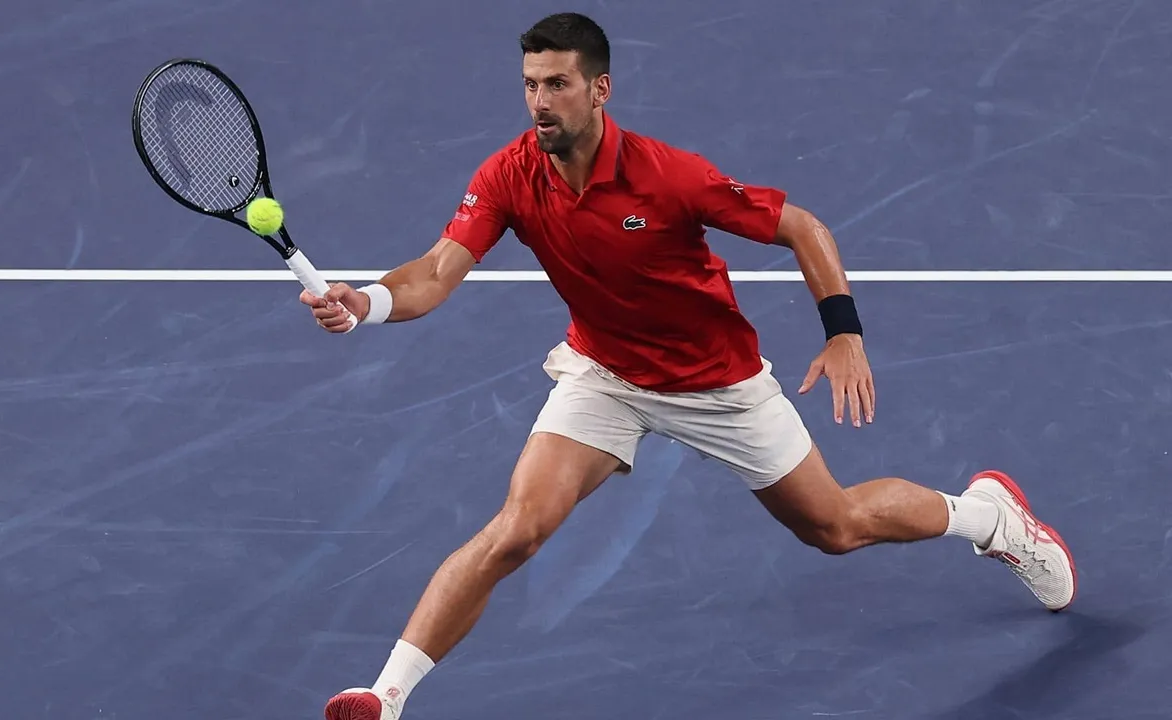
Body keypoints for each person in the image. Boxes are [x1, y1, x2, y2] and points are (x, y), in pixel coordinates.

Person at [305, 12, 1076, 720]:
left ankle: (989, 517)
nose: (540, 102)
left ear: (599, 88)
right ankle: (386, 696)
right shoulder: (510, 174)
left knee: (834, 527)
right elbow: (437, 271)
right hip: (605, 376)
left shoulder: (668, 176)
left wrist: (844, 332)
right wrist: (367, 301)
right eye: (530, 85)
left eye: (558, 84)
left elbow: (801, 226)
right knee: (516, 530)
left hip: (718, 385)